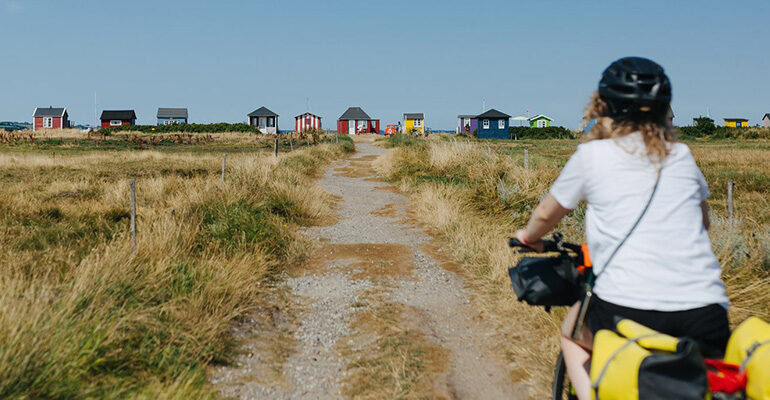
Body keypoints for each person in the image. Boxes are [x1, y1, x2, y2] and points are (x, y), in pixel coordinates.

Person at [514, 57, 730, 400]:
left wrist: (528, 237)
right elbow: (703, 223)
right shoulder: (682, 155)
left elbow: (545, 213)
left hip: (625, 309)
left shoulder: (594, 155)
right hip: (706, 313)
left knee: (571, 332)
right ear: (663, 108)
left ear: (604, 106)